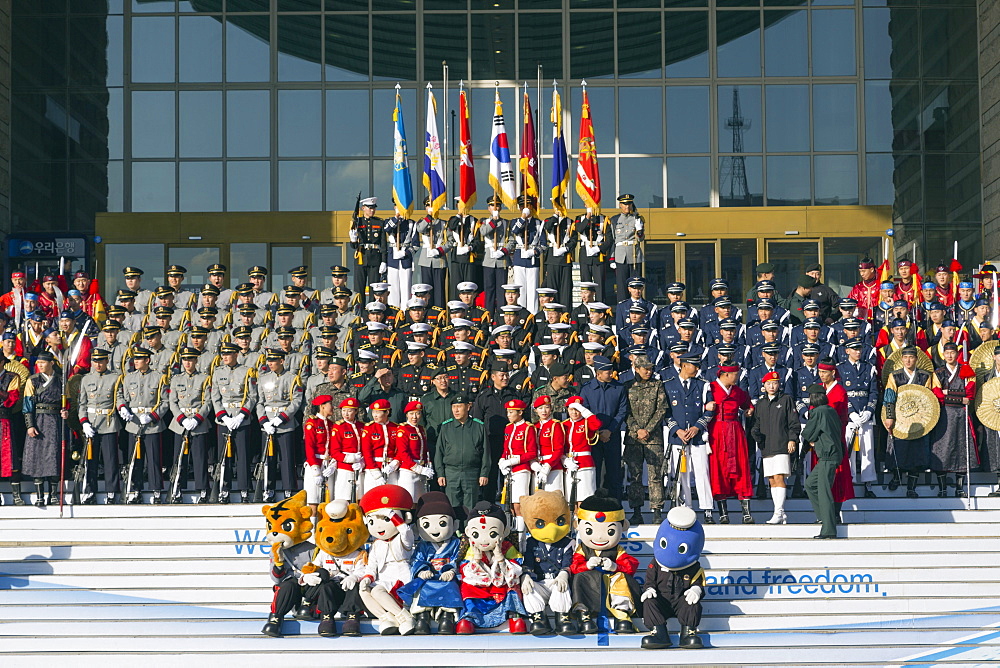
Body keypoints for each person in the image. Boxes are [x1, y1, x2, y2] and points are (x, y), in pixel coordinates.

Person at [663, 352, 716, 522]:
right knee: (681, 475)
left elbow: (710, 410)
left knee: (702, 472)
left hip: (698, 437)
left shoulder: (703, 385)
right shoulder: (668, 385)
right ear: (685, 365)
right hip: (678, 438)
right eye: (694, 365)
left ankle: (707, 509)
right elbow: (665, 412)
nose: (697, 368)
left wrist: (697, 427)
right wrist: (677, 430)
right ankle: (686, 508)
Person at [117, 347, 169, 504]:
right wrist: (122, 407)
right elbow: (121, 396)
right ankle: (136, 489)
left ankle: (156, 490)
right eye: (135, 359)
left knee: (153, 459)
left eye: (139, 359)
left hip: (151, 423)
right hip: (134, 423)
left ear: (147, 360)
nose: (136, 361)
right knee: (135, 459)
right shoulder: (128, 378)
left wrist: (153, 416)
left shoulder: (159, 378)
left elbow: (164, 401)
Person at [882, 346, 936, 497]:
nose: (908, 360)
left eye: (911, 357)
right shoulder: (895, 376)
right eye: (905, 358)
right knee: (899, 447)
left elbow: (928, 398)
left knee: (917, 451)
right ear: (902, 359)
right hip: (900, 418)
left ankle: (912, 487)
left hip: (920, 417)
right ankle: (896, 476)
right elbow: (889, 397)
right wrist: (889, 416)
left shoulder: (925, 376)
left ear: (916, 359)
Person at [706, 363, 755, 524]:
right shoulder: (710, 388)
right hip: (717, 432)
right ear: (726, 375)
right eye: (735, 374)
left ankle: (746, 512)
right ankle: (722, 513)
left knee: (741, 468)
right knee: (718, 470)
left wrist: (749, 410)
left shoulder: (737, 391)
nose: (737, 377)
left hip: (735, 432)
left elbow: (747, 403)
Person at [623, 354, 669, 525]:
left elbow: (661, 409)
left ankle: (657, 511)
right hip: (633, 439)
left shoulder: (657, 385)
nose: (648, 371)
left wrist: (647, 430)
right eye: (645, 368)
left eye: (650, 368)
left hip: (653, 438)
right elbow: (625, 411)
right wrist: (637, 430)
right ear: (636, 368)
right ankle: (636, 511)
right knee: (634, 476)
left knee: (655, 475)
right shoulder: (627, 386)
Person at [750, 371, 800, 525]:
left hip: (781, 445)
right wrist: (755, 434)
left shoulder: (786, 400)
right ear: (763, 386)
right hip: (766, 447)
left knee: (779, 477)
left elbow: (793, 422)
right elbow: (756, 424)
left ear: (779, 385)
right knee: (772, 479)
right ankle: (780, 512)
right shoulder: (760, 403)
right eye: (768, 383)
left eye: (775, 383)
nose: (772, 386)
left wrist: (792, 439)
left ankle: (778, 512)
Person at [211, 342, 258, 504]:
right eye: (223, 354)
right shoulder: (217, 373)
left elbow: (252, 396)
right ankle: (224, 489)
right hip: (224, 421)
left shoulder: (246, 372)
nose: (224, 357)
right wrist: (224, 417)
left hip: (241, 420)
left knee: (242, 456)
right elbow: (215, 397)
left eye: (228, 354)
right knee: (224, 457)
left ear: (236, 354)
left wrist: (240, 416)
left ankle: (244, 489)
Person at [256, 349, 304, 501]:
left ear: (282, 361)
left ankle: (288, 489)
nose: (270, 363)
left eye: (273, 361)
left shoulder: (292, 378)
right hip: (268, 424)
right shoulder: (263, 378)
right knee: (269, 459)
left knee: (287, 459)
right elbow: (259, 402)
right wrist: (264, 421)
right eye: (269, 360)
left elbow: (296, 401)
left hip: (285, 423)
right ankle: (268, 488)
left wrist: (282, 418)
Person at [930, 343, 977, 497]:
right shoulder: (938, 373)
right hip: (943, 415)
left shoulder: (966, 371)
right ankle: (942, 488)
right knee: (941, 448)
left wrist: (948, 393)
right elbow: (937, 394)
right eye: (947, 353)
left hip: (961, 415)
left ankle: (959, 488)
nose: (950, 356)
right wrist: (958, 395)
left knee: (961, 448)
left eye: (952, 353)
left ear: (957, 354)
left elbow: (969, 395)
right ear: (943, 355)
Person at [167, 347, 213, 504]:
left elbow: (208, 402)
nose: (187, 363)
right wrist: (182, 419)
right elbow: (172, 402)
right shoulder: (176, 379)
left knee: (200, 459)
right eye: (185, 360)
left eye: (190, 359)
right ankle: (177, 488)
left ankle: (203, 490)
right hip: (180, 424)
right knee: (179, 459)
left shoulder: (205, 379)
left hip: (198, 423)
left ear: (196, 361)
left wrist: (197, 419)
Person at [802, 385, 843, 539]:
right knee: (810, 485)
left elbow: (808, 433)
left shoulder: (818, 412)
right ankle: (826, 518)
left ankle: (828, 530)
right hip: (832, 455)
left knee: (824, 493)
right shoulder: (831, 410)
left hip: (826, 456)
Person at [434, 394, 489, 508]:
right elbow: (439, 452)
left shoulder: (479, 427)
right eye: (454, 407)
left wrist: (484, 473)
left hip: (472, 473)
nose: (456, 410)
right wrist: (440, 474)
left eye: (459, 406)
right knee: (452, 506)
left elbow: (486, 453)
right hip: (451, 473)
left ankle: (468, 526)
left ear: (468, 407)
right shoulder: (446, 427)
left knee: (471, 507)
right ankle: (455, 527)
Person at [479, 195, 514, 319]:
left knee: (501, 290)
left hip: (501, 259)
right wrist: (493, 221)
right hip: (489, 259)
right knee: (489, 289)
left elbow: (511, 241)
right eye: (493, 205)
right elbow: (483, 232)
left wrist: (503, 251)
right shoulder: (484, 222)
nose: (495, 207)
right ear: (489, 208)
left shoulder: (506, 223)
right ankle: (488, 316)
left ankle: (500, 316)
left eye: (498, 205)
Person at [302, 394, 338, 510]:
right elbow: (309, 447)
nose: (332, 407)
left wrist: (333, 463)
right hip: (316, 463)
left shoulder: (331, 424)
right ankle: (312, 527)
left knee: (329, 499)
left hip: (328, 464)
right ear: (322, 406)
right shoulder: (312, 423)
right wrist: (316, 470)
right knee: (313, 499)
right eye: (330, 404)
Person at [509, 196, 543, 313]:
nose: (525, 208)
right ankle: (522, 314)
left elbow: (544, 244)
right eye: (522, 206)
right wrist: (523, 218)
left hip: (532, 259)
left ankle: (533, 315)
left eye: (527, 206)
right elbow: (514, 231)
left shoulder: (538, 223)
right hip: (519, 259)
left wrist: (535, 251)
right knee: (521, 290)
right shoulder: (515, 221)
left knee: (533, 290)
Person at [609, 194, 644, 301]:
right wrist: (612, 258)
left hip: (634, 255)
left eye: (629, 203)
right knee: (621, 285)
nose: (627, 206)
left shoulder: (637, 218)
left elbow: (641, 238)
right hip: (620, 255)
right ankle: (622, 306)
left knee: (635, 284)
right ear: (620, 205)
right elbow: (613, 240)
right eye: (624, 204)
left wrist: (639, 230)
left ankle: (637, 306)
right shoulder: (615, 219)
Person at [414, 197, 448, 308]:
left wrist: (439, 250)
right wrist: (429, 217)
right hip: (426, 260)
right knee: (426, 290)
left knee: (439, 290)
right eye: (428, 206)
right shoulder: (422, 221)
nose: (430, 208)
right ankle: (427, 312)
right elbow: (420, 229)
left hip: (439, 259)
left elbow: (450, 242)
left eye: (432, 206)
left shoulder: (444, 224)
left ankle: (439, 314)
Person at [384, 202, 417, 309]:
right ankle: (394, 312)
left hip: (405, 259)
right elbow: (387, 229)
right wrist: (396, 217)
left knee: (406, 288)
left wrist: (405, 253)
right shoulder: (389, 221)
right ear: (395, 207)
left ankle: (405, 312)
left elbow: (416, 245)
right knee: (393, 288)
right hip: (392, 259)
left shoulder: (412, 223)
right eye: (398, 206)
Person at [576, 208, 612, 302]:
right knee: (585, 284)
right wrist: (587, 217)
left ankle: (599, 306)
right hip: (585, 254)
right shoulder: (580, 218)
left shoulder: (604, 219)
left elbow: (609, 240)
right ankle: (586, 306)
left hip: (598, 254)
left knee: (599, 283)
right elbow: (579, 229)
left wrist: (598, 249)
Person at [541, 212, 576, 301]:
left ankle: (565, 312)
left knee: (566, 289)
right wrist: (555, 216)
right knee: (552, 289)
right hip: (552, 259)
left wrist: (566, 248)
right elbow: (547, 227)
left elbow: (574, 240)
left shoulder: (570, 222)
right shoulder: (549, 220)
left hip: (565, 259)